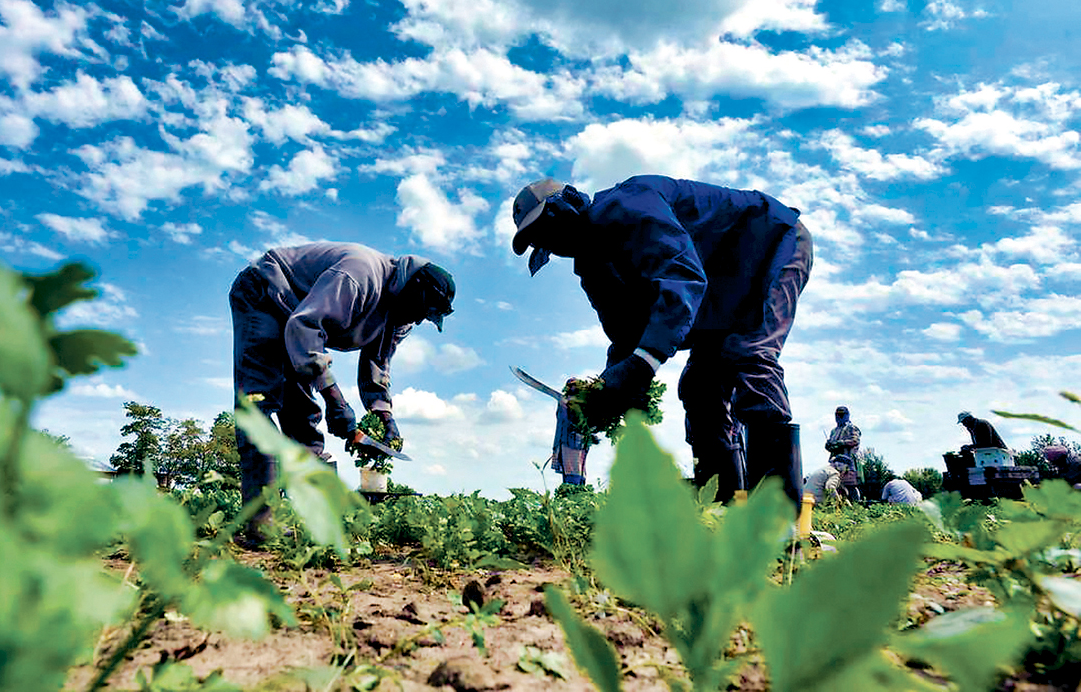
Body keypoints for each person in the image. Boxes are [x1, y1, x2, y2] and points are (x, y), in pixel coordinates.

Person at [510, 175, 813, 504]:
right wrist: (609, 390)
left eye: (545, 229)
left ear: (565, 208)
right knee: (700, 386)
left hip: (770, 247)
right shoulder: (591, 266)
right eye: (539, 239)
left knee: (748, 354)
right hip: (718, 291)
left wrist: (643, 363)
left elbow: (681, 275)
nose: (550, 244)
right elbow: (626, 335)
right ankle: (722, 503)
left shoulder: (628, 204)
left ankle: (780, 515)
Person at [230, 242, 455, 542]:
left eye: (423, 317)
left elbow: (377, 363)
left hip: (298, 317)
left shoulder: (402, 315)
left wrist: (384, 415)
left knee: (302, 413)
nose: (415, 320)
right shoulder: (359, 276)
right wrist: (335, 400)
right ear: (413, 289)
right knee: (259, 403)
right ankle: (263, 522)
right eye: (419, 311)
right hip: (267, 293)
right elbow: (306, 327)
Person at [825, 406, 862, 502]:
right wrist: (829, 445)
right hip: (835, 461)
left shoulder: (851, 428)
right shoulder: (834, 430)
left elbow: (855, 440)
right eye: (837, 415)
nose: (839, 417)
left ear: (847, 416)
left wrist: (840, 443)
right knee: (835, 483)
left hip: (847, 461)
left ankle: (855, 504)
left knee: (849, 485)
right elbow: (830, 447)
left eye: (842, 415)